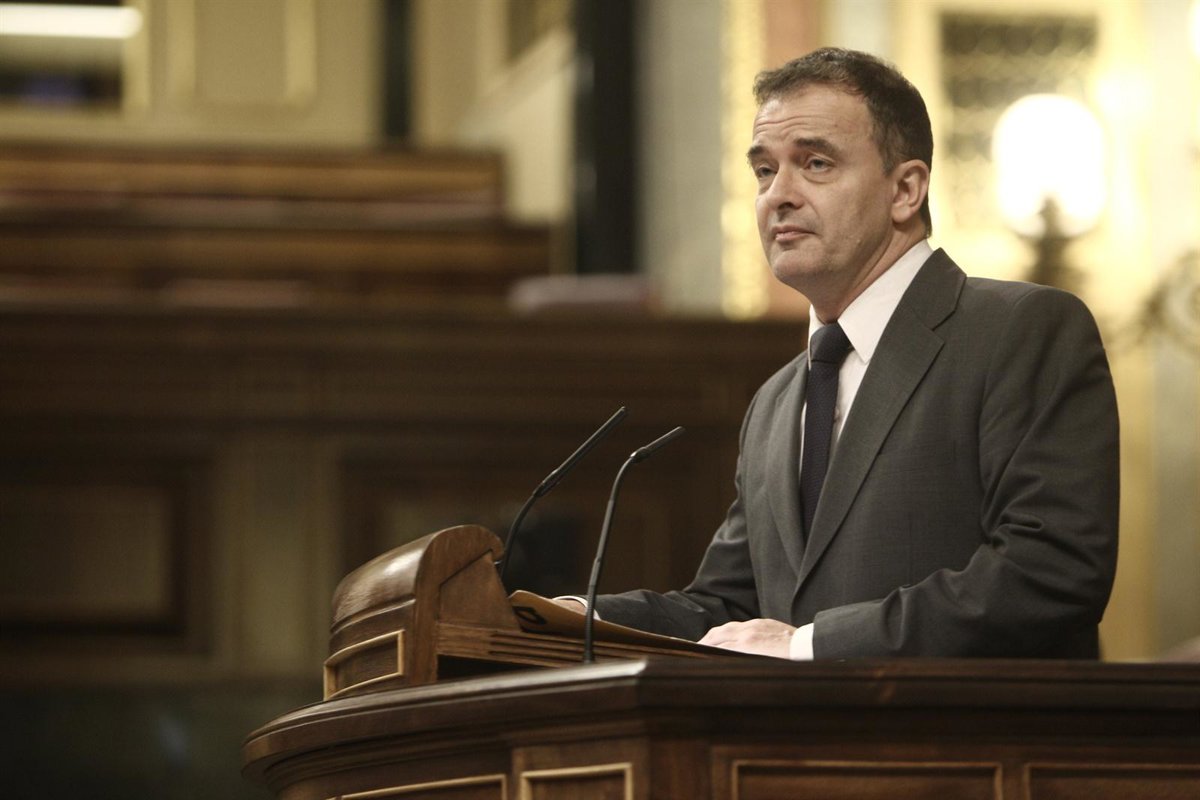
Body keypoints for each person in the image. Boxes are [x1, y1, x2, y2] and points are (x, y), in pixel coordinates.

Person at [562, 47, 1119, 660]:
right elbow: (730, 608)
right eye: (764, 170)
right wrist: (567, 618)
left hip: (970, 724)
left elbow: (1050, 571)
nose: (778, 195)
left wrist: (814, 645)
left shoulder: (1019, 331)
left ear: (905, 190)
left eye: (816, 163)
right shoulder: (776, 399)